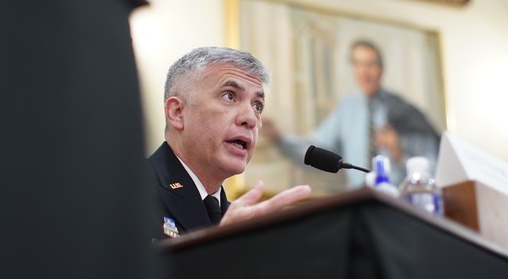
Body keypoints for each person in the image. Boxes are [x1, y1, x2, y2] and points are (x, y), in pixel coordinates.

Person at [148, 46, 312, 239]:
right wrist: (222, 251)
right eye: (230, 96)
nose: (250, 119)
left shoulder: (238, 221)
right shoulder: (125, 189)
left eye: (257, 106)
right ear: (177, 112)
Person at [262, 39, 440, 187]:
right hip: (358, 199)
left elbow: (432, 163)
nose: (364, 72)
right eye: (358, 64)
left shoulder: (403, 109)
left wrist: (398, 150)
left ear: (381, 69)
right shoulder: (347, 109)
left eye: (371, 64)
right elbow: (317, 149)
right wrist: (280, 139)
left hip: (398, 200)